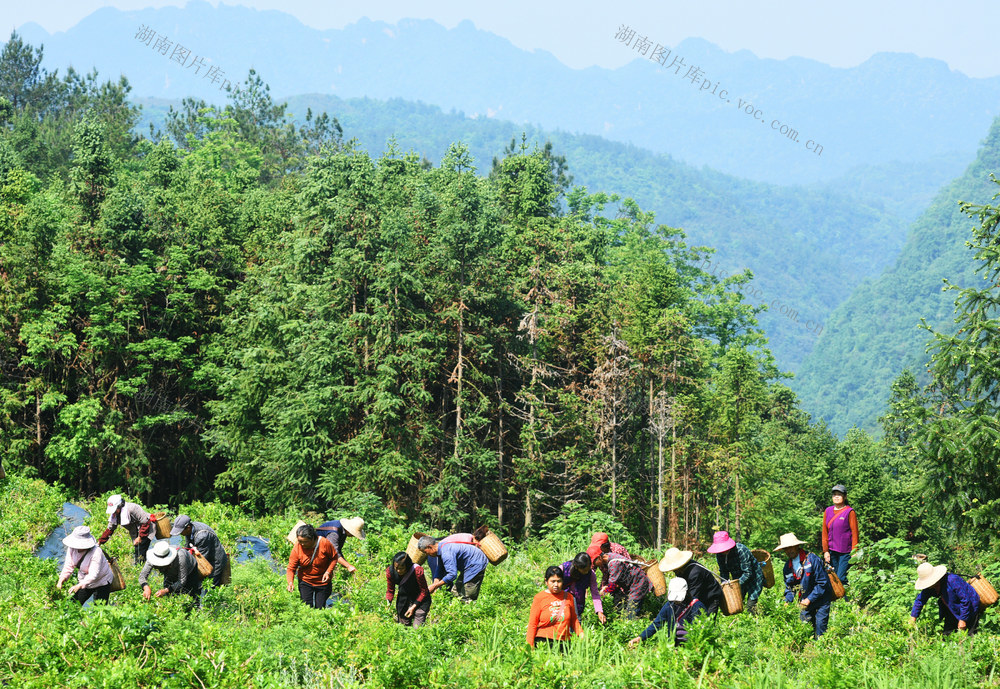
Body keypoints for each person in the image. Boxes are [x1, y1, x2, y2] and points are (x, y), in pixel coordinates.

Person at [776, 532, 831, 638]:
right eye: (786, 548)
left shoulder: (812, 559)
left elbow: (822, 583)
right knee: (805, 629)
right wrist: (787, 600)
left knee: (820, 631)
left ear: (797, 546)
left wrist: (809, 599)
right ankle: (807, 651)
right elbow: (790, 587)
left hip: (821, 599)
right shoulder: (787, 567)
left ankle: (821, 650)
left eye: (791, 547)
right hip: (805, 601)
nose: (789, 551)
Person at [629, 577, 707, 647]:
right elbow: (656, 624)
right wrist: (641, 637)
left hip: (692, 645)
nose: (676, 601)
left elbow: (701, 630)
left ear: (686, 593)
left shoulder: (697, 606)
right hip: (675, 644)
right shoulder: (670, 606)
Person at [909, 562, 981, 635]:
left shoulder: (952, 580)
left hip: (970, 607)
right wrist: (913, 618)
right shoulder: (930, 587)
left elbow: (966, 600)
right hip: (951, 607)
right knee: (947, 635)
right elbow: (920, 600)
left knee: (969, 634)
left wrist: (963, 620)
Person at [526, 566, 584, 648]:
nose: (556, 584)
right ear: (546, 581)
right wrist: (529, 646)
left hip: (564, 643)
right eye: (552, 581)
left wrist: (581, 634)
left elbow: (574, 620)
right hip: (543, 642)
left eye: (559, 581)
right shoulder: (539, 598)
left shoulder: (569, 597)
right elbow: (532, 623)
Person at [708, 530, 764, 613]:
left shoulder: (741, 550)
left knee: (750, 605)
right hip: (737, 578)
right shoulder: (719, 555)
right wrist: (725, 584)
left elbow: (748, 573)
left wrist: (735, 585)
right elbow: (724, 572)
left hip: (754, 577)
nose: (723, 551)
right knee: (737, 604)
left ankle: (755, 620)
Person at [56, 526, 114, 605]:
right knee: (73, 605)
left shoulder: (96, 552)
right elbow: (68, 565)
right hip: (84, 581)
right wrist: (61, 580)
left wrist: (79, 586)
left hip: (102, 582)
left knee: (99, 609)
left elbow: (93, 575)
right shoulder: (72, 548)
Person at [419, 535, 488, 602]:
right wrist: (434, 584)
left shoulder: (446, 552)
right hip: (469, 564)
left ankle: (470, 609)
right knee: (456, 592)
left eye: (425, 552)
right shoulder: (441, 548)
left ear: (430, 547)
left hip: (476, 563)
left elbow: (452, 575)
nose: (426, 554)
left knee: (468, 595)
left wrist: (435, 586)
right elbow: (440, 568)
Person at [589, 544, 651, 619]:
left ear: (599, 558)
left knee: (631, 612)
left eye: (594, 563)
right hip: (632, 583)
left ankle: (633, 626)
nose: (594, 566)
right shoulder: (609, 556)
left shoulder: (614, 564)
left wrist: (603, 594)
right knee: (626, 608)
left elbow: (612, 586)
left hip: (638, 584)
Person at [658, 547, 723, 615]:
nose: (674, 570)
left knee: (707, 621)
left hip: (710, 596)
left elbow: (693, 595)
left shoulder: (695, 573)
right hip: (699, 593)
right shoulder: (680, 570)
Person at [286, 523, 337, 609]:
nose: (302, 544)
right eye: (299, 541)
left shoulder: (324, 543)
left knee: (320, 608)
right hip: (305, 581)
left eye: (305, 542)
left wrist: (328, 572)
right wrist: (290, 582)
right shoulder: (297, 548)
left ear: (313, 538)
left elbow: (334, 558)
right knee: (306, 607)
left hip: (322, 582)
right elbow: (291, 568)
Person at [171, 515, 229, 587]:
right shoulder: (189, 530)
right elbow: (188, 545)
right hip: (204, 557)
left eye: (180, 531)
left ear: (188, 528)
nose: (180, 533)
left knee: (210, 589)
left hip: (214, 562)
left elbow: (200, 559)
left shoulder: (202, 536)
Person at [98, 494, 153, 564]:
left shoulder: (132, 508)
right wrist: (100, 541)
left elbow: (145, 521)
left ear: (120, 506)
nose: (114, 512)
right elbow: (110, 529)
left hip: (146, 528)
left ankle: (140, 567)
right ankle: (140, 565)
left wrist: (140, 537)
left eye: (115, 510)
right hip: (135, 530)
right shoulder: (115, 515)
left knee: (140, 550)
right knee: (138, 549)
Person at [822, 484, 859, 586]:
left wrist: (855, 551)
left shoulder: (849, 512)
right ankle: (841, 599)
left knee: (841, 577)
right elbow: (825, 532)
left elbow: (855, 532)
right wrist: (825, 551)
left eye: (839, 494)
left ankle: (844, 600)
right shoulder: (828, 511)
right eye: (834, 495)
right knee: (834, 576)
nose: (836, 497)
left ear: (845, 497)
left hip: (845, 551)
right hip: (832, 551)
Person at [386, 551, 431, 628]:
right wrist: (388, 602)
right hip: (404, 600)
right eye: (396, 568)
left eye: (401, 568)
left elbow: (424, 591)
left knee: (417, 628)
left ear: (407, 565)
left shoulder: (416, 571)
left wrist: (413, 607)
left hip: (421, 600)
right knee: (403, 627)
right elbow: (390, 589)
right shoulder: (391, 572)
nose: (398, 571)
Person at [560, 552, 606, 624]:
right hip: (561, 599)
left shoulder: (591, 574)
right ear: (576, 566)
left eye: (588, 569)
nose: (587, 572)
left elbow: (595, 593)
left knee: (576, 622)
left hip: (578, 602)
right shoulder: (563, 568)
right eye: (584, 570)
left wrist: (599, 611)